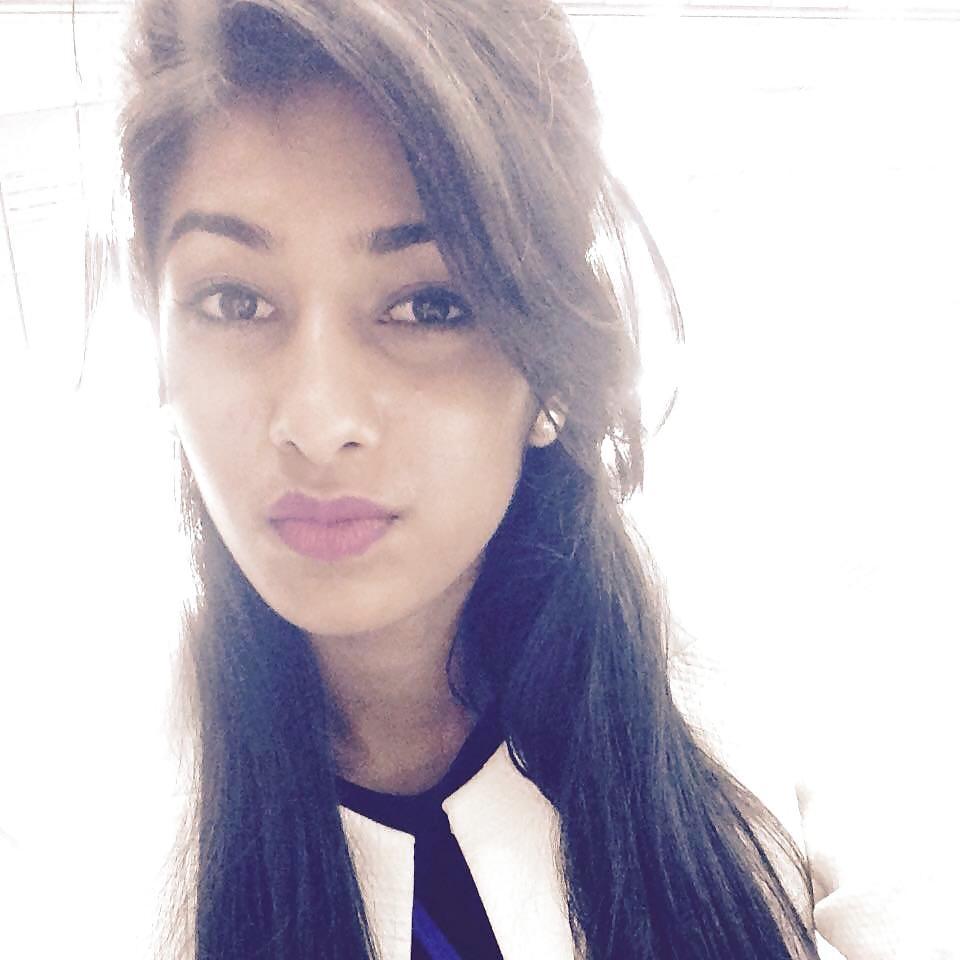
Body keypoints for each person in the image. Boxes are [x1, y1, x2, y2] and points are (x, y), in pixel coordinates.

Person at [113, 2, 929, 959]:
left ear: (550, 362)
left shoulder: (793, 704)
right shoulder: (82, 833)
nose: (318, 422)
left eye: (429, 305)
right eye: (233, 300)